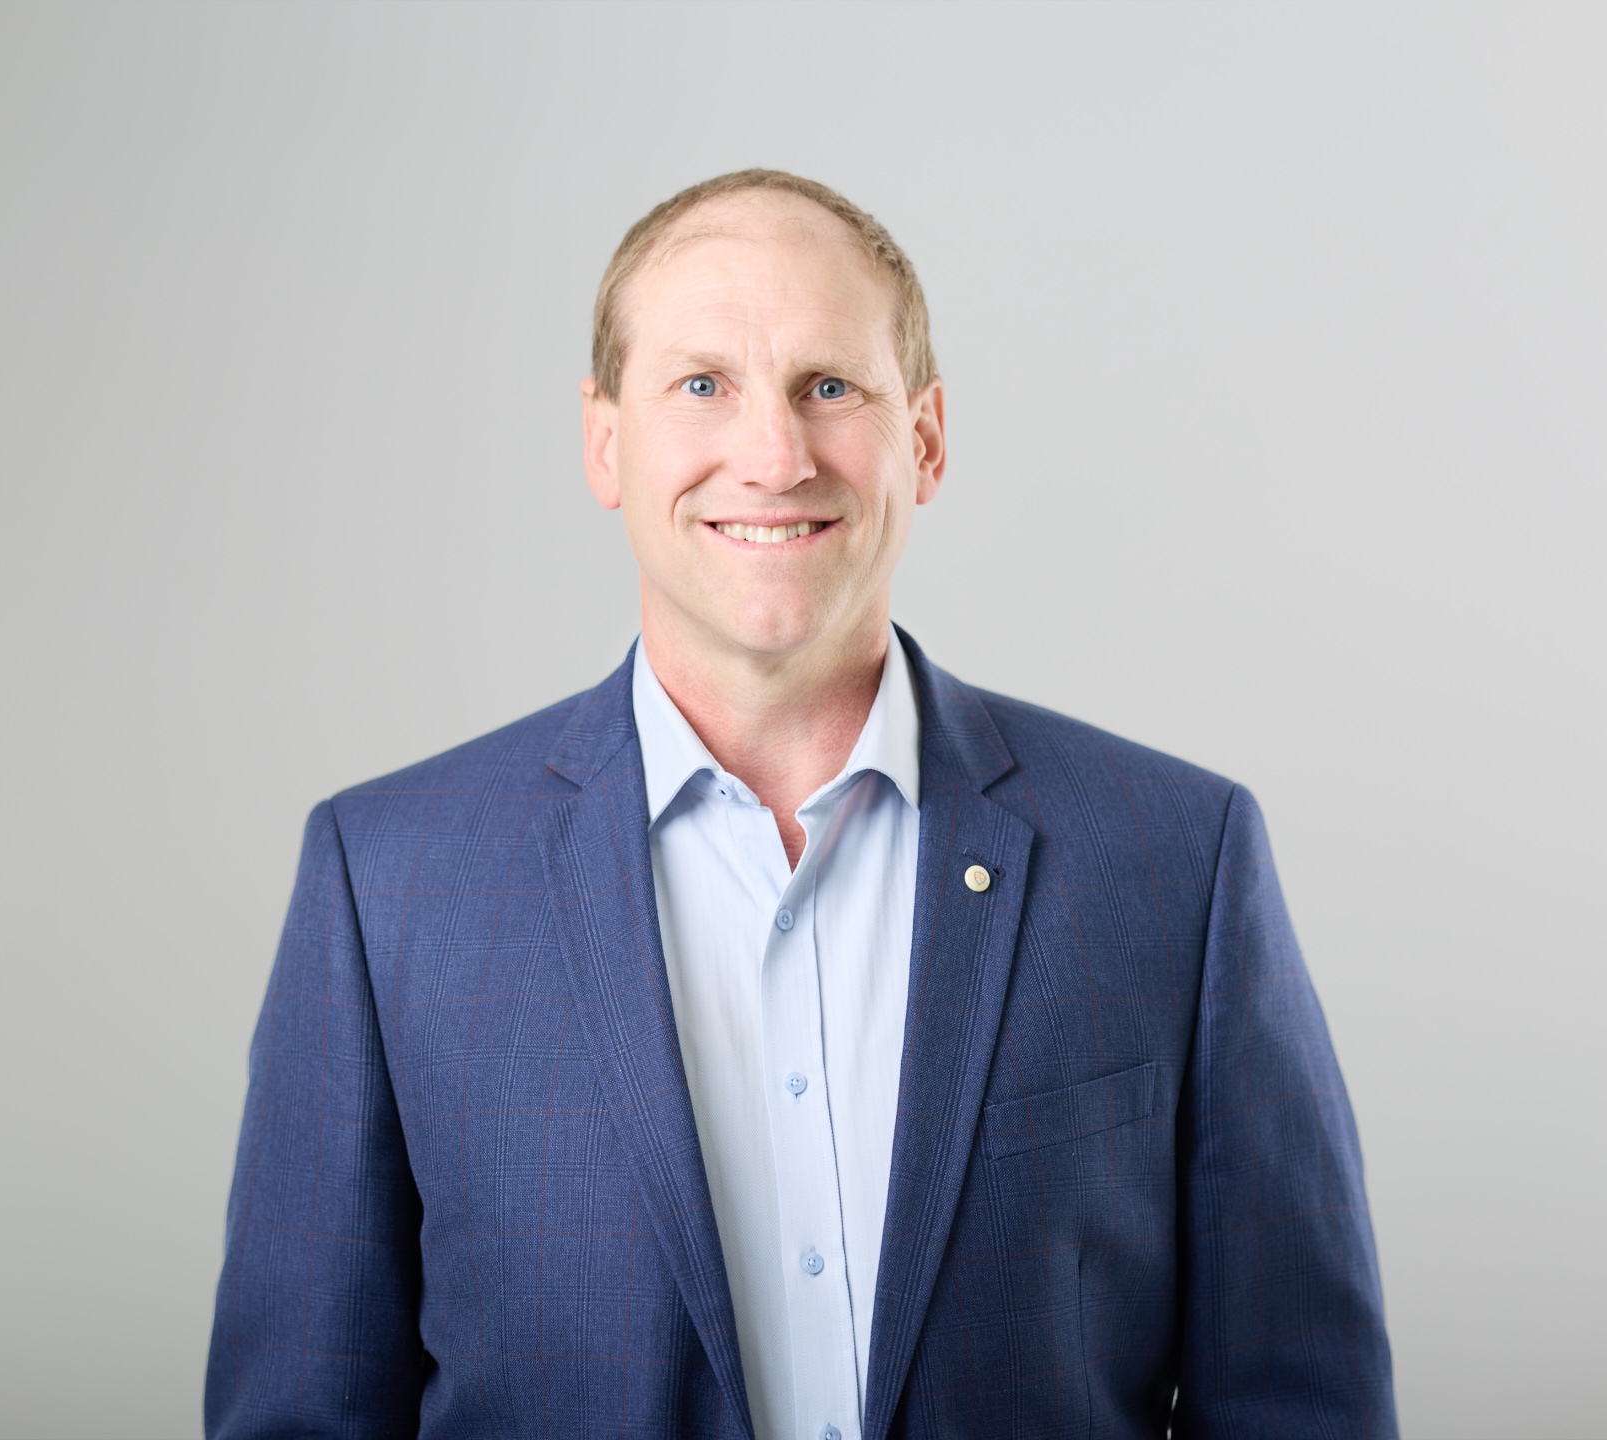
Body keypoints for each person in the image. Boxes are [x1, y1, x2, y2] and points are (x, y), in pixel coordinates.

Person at [205, 169, 1395, 1440]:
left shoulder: (1175, 860)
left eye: (829, 386)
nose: (774, 457)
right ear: (604, 441)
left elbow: (1300, 1408)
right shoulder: (387, 886)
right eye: (700, 385)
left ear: (923, 439)